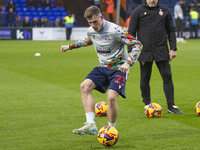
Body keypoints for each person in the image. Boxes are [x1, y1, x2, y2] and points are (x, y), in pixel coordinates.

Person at [61, 6, 142, 135]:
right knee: (85, 86)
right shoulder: (91, 31)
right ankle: (90, 124)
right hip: (102, 67)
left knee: (111, 98)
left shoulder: (116, 30)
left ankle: (111, 129)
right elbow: (87, 41)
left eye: (95, 22)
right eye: (90, 23)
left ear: (101, 18)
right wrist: (69, 47)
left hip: (119, 69)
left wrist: (128, 62)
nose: (93, 25)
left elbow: (137, 44)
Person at [128, 0, 184, 114]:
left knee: (167, 76)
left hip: (162, 50)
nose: (152, 0)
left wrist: (173, 48)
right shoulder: (137, 12)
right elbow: (131, 33)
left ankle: (171, 106)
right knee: (145, 78)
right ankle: (147, 105)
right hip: (144, 51)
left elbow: (171, 30)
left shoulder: (165, 11)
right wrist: (130, 50)